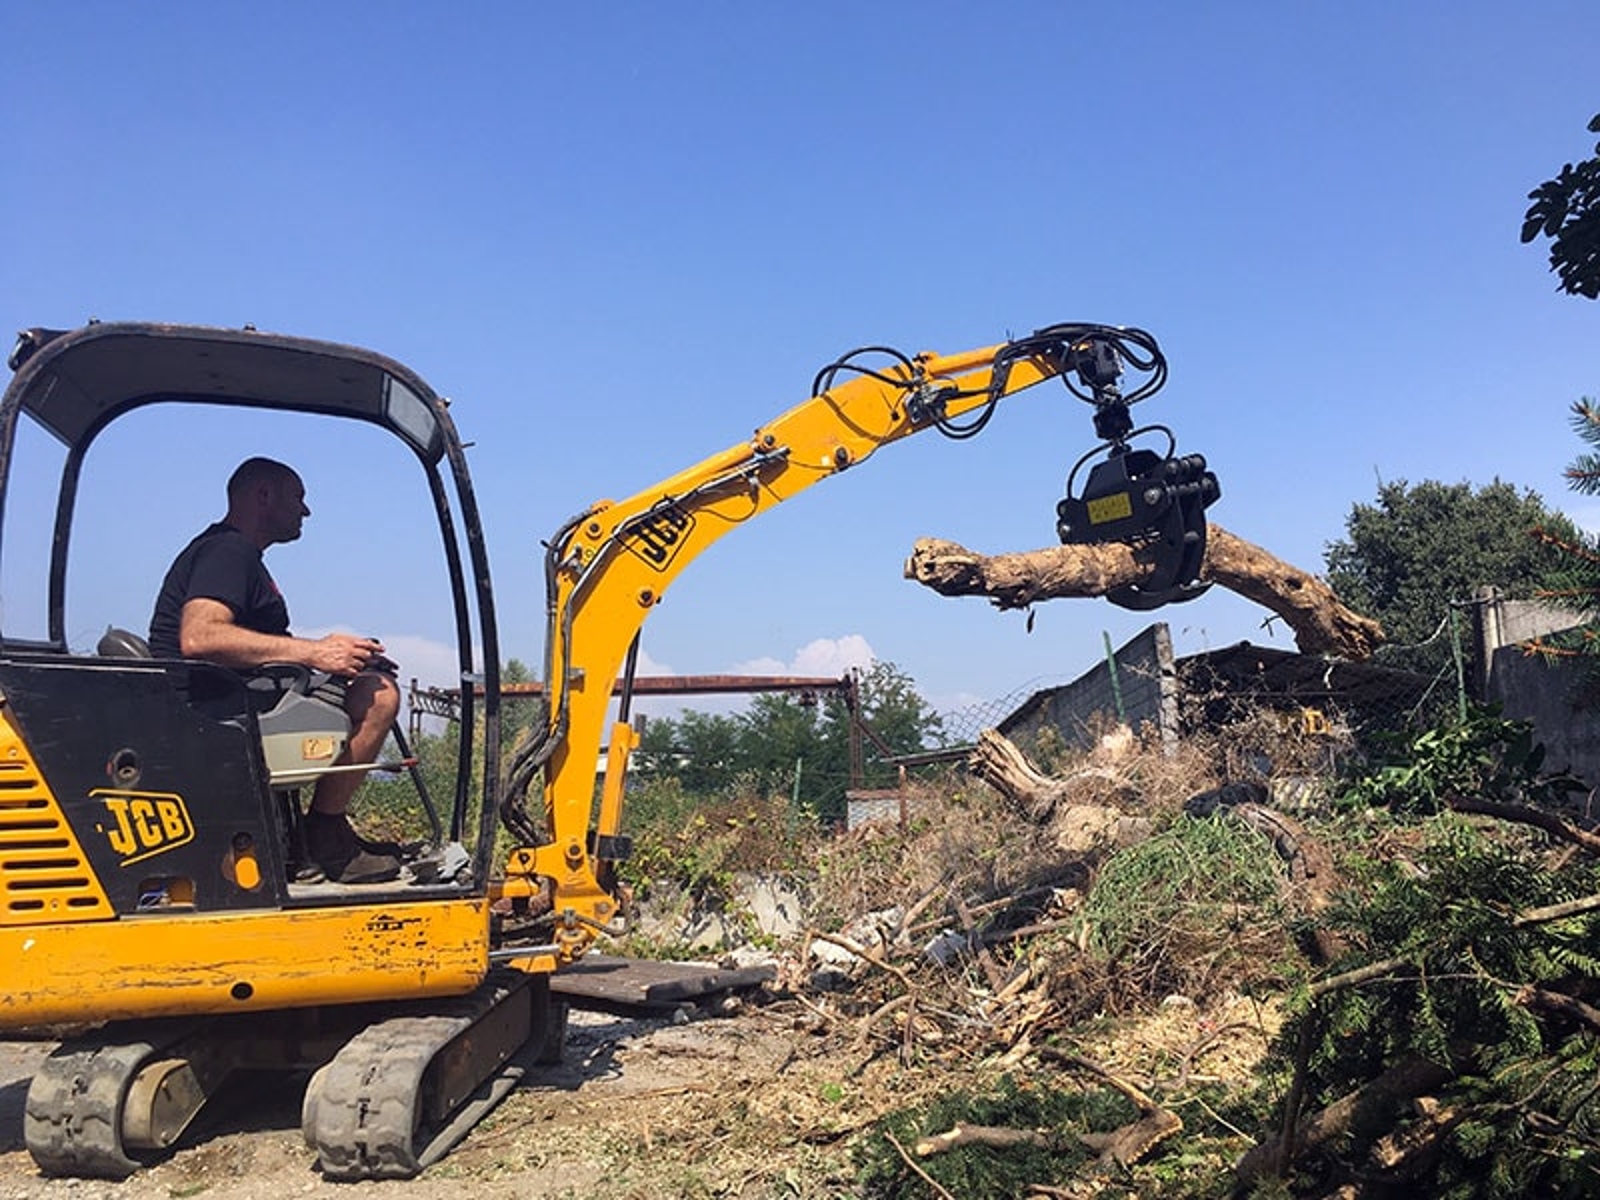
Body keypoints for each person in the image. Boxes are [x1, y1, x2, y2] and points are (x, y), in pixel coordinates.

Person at [149, 457, 402, 884]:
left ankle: (318, 836)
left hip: (228, 698)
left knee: (363, 680)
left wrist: (339, 656)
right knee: (377, 695)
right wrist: (316, 653)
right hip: (216, 712)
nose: (306, 510)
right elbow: (200, 637)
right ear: (263, 495)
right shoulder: (228, 551)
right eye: (298, 497)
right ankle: (325, 836)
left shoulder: (234, 554)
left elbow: (250, 645)